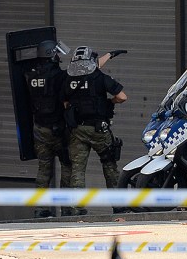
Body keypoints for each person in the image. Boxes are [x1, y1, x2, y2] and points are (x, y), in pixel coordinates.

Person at [62, 46, 127, 214]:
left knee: (77, 168)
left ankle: (77, 208)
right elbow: (122, 97)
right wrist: (110, 103)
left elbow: (65, 104)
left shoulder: (68, 79)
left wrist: (110, 55)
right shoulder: (99, 78)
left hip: (78, 130)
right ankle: (118, 206)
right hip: (99, 130)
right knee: (109, 165)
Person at [24, 40, 71, 218]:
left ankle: (40, 209)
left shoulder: (30, 74)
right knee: (67, 166)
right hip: (58, 129)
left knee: (44, 169)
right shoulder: (59, 76)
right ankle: (66, 209)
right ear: (51, 54)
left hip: (39, 128)